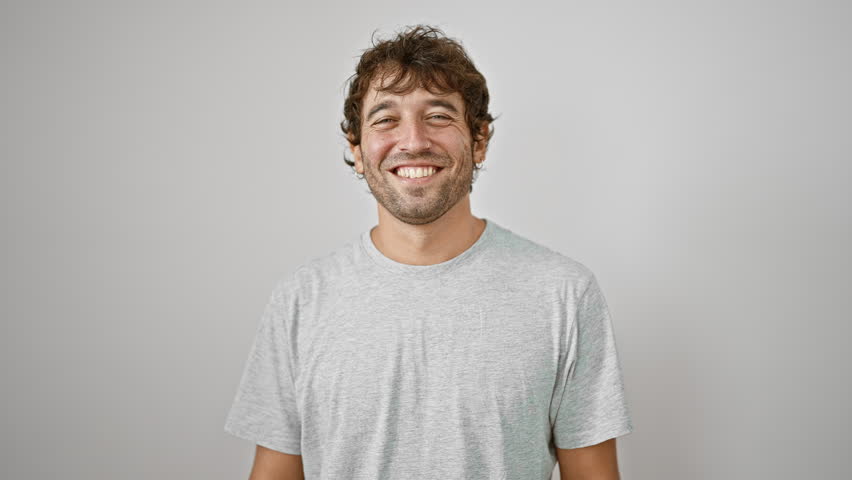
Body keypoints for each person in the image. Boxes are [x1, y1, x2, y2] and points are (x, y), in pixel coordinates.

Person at [224, 25, 633, 480]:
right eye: (385, 119)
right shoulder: (300, 300)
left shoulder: (563, 294)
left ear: (478, 140)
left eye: (438, 116)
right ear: (357, 150)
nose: (414, 140)